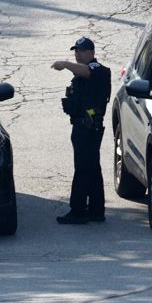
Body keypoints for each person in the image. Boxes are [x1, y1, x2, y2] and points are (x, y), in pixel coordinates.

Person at [51, 36, 110, 224]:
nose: (77, 54)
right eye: (75, 51)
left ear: (92, 53)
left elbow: (88, 72)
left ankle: (78, 211)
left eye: (81, 51)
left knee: (83, 168)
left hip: (89, 127)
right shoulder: (82, 73)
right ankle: (95, 210)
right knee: (91, 168)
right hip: (82, 126)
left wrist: (65, 64)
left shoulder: (98, 70)